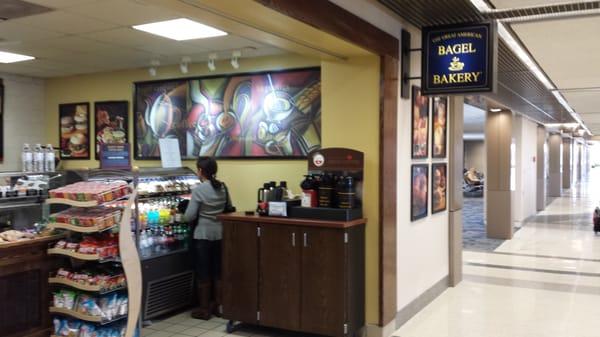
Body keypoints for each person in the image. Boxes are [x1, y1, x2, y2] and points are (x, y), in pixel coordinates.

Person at [183, 156, 231, 320]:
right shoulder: (222, 187)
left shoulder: (199, 190)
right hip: (220, 233)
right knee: (218, 271)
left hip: (203, 235)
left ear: (201, 171)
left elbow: (189, 216)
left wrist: (180, 213)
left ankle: (204, 309)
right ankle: (219, 306)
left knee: (203, 273)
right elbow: (228, 208)